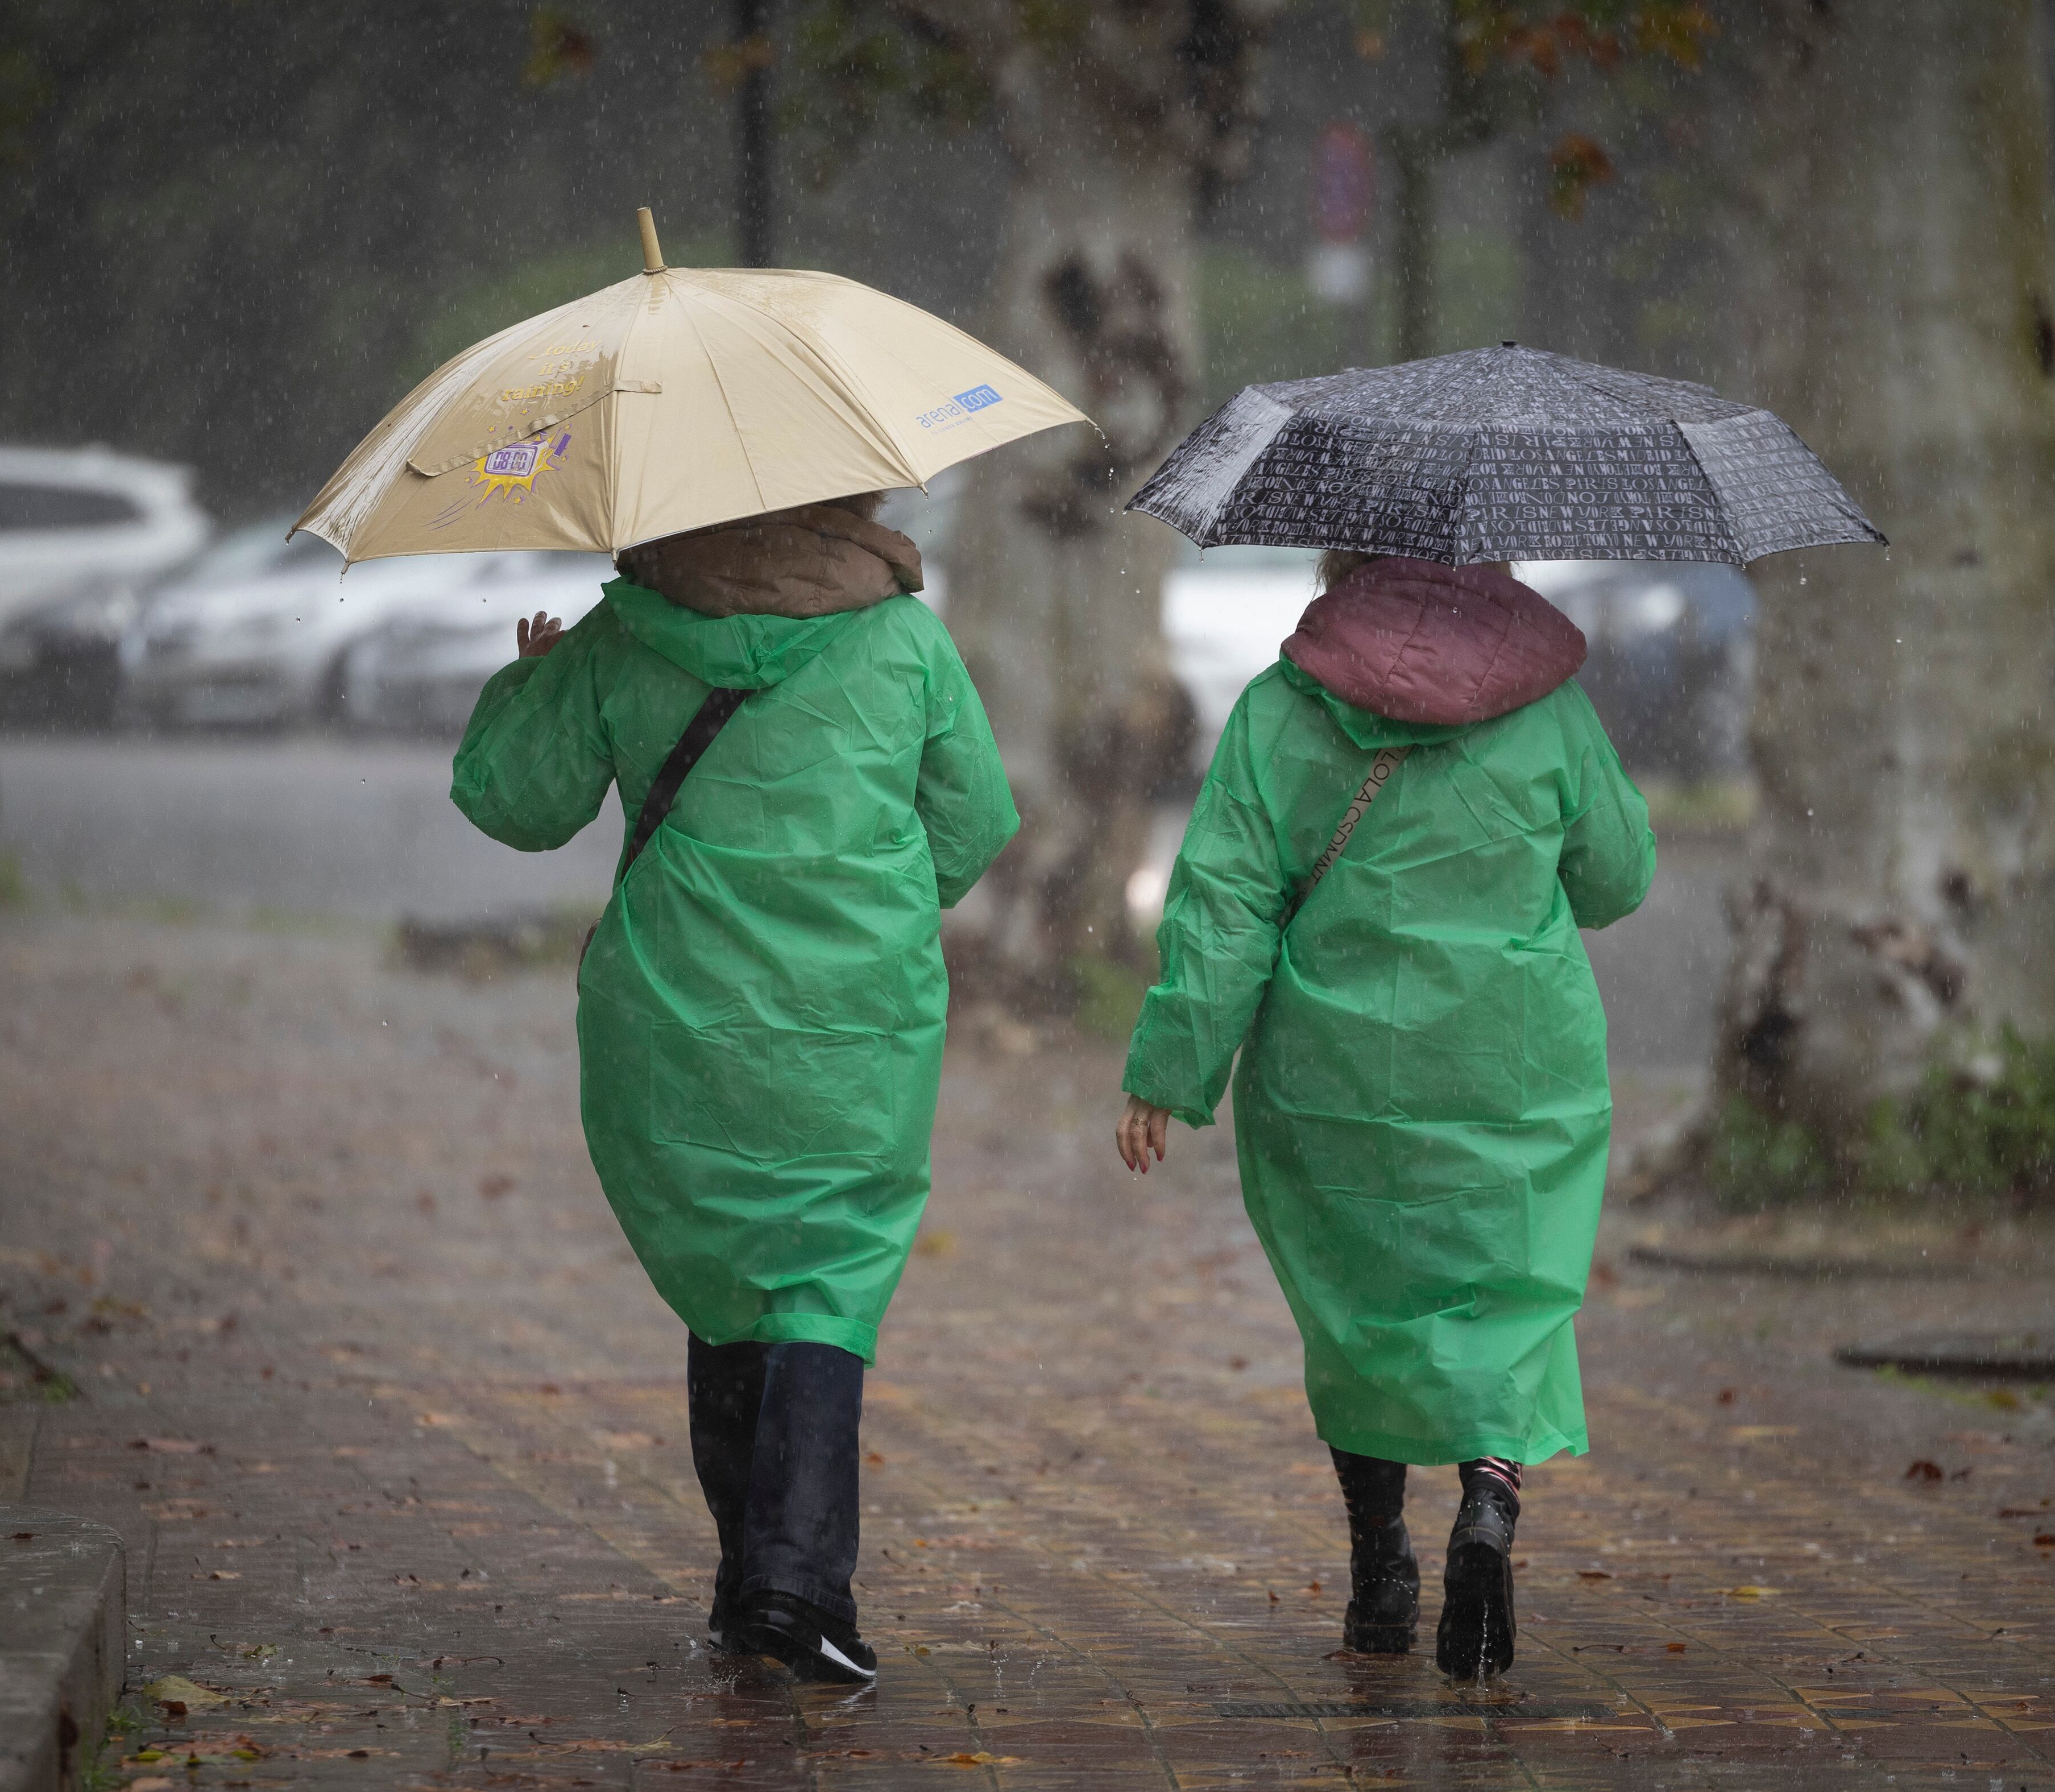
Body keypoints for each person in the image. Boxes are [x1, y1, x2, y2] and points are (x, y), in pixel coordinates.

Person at [452, 493, 1018, 1686]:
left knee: (728, 1273)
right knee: (825, 1275)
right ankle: (795, 1585)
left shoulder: (628, 632)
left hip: (676, 1010)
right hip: (853, 1023)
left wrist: (528, 682)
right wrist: (857, 898)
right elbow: (972, 826)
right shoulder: (902, 639)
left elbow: (515, 801)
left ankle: (745, 1578)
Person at [1113, 548, 1652, 1679]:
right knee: (1504, 1292)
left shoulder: (1280, 711)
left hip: (1336, 1071)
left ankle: (1378, 1568)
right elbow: (1615, 878)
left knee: (1360, 1302)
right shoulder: (1547, 707)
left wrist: (1170, 1069)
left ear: (1336, 553)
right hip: (1515, 1060)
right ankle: (1489, 1505)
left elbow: (1222, 911)